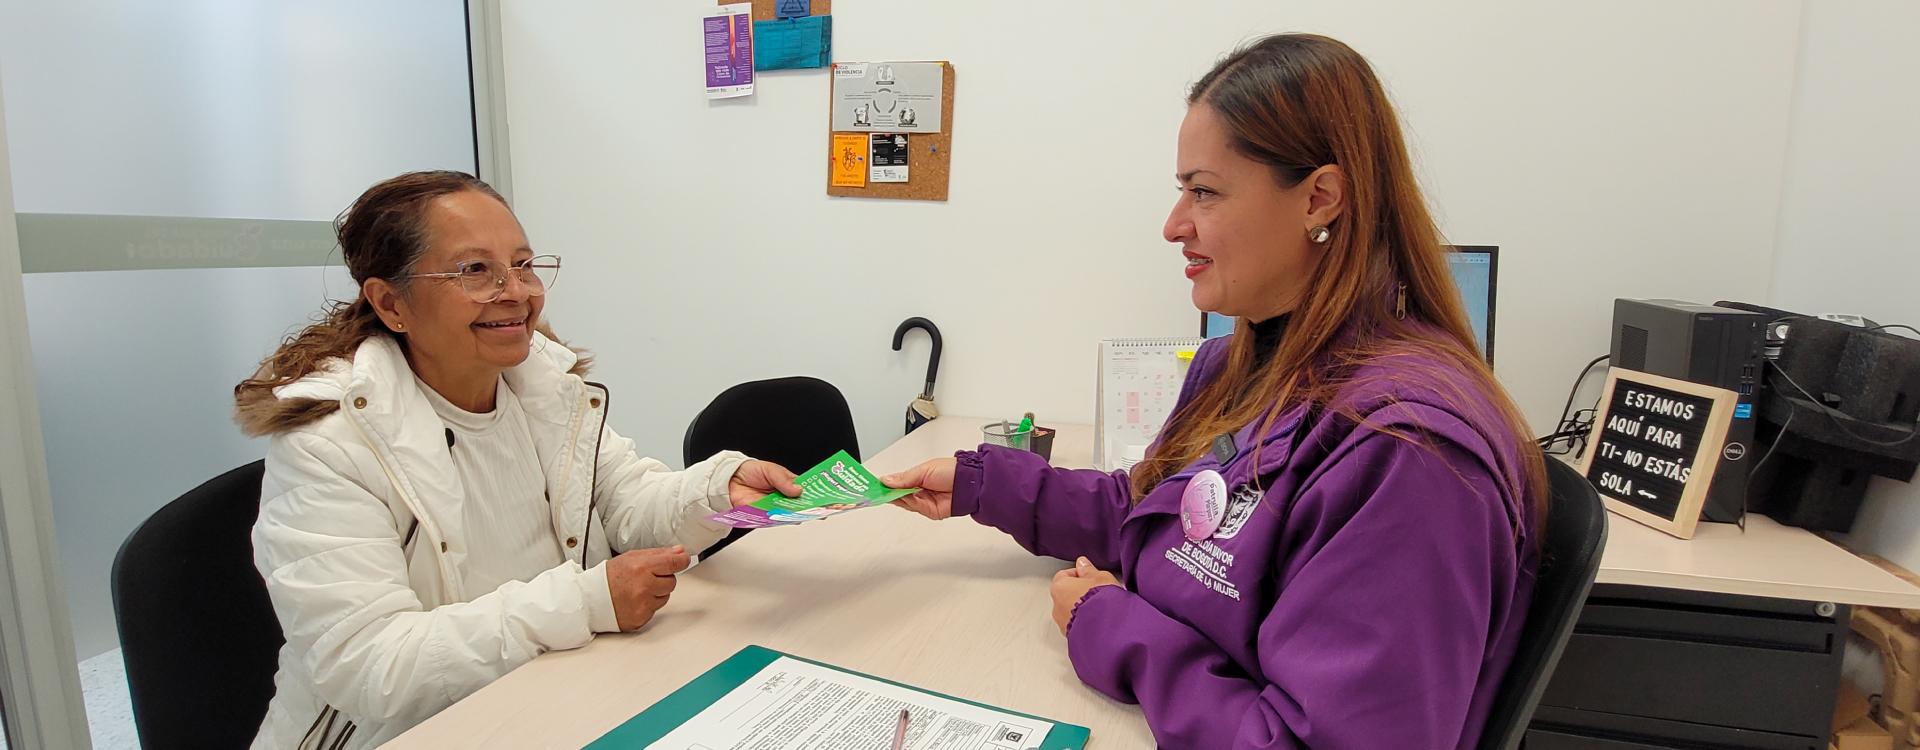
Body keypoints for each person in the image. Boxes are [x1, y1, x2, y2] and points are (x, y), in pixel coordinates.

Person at [884, 34, 1547, 749]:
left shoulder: (1408, 457)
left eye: (1204, 191)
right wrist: (984, 486)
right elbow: (1155, 516)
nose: (1174, 226)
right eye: (1182, 191)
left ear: (1320, 198)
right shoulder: (1241, 363)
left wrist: (1109, 626)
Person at [233, 171, 801, 749]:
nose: (518, 291)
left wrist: (716, 493)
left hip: (548, 693)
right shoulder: (331, 442)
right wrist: (584, 602)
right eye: (475, 270)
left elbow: (627, 502)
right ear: (390, 302)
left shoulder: (543, 388)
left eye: (524, 264)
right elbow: (371, 669)